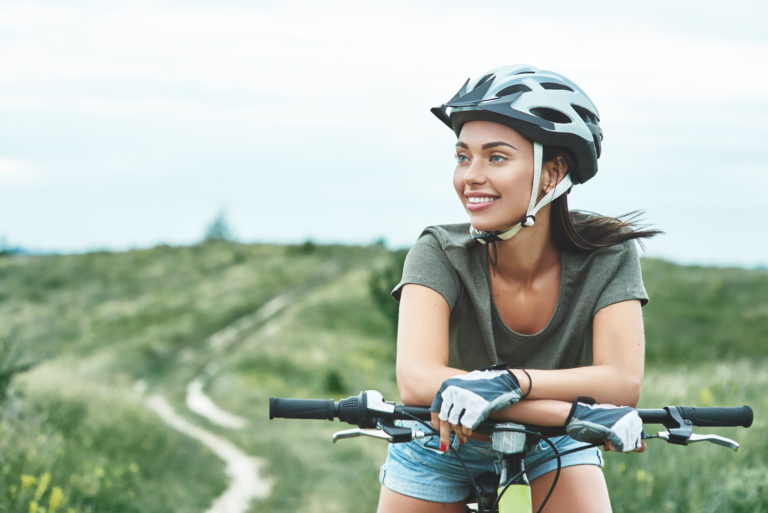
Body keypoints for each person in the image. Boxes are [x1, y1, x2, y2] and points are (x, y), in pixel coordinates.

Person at [376, 65, 660, 513]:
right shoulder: (438, 250)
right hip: (442, 439)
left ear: (552, 172)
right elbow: (417, 383)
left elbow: (621, 383)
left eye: (496, 157)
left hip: (557, 443)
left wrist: (509, 382)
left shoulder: (607, 255)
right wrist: (572, 413)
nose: (470, 175)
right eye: (462, 156)